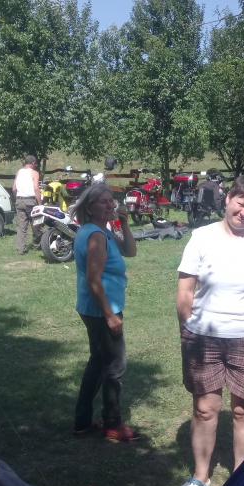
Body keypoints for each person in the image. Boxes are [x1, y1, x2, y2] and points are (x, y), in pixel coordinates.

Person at [173, 173, 244, 486]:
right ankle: (200, 475)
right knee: (205, 408)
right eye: (240, 203)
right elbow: (185, 290)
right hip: (203, 338)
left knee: (243, 412)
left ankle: (242, 482)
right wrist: (188, 327)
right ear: (228, 199)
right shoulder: (201, 238)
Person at [72, 184, 141, 442]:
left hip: (94, 308)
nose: (110, 205)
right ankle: (112, 424)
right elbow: (93, 280)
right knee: (115, 366)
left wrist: (124, 224)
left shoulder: (102, 231)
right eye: (103, 202)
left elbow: (130, 251)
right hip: (102, 310)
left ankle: (82, 421)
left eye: (111, 200)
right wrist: (110, 316)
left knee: (98, 363)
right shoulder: (96, 236)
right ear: (89, 208)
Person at [12, 155, 41, 255]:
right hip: (31, 201)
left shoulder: (18, 172)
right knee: (36, 224)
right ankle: (37, 245)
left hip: (19, 200)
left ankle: (21, 249)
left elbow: (14, 189)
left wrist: (18, 198)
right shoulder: (34, 173)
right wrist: (40, 203)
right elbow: (36, 188)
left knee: (21, 227)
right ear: (33, 163)